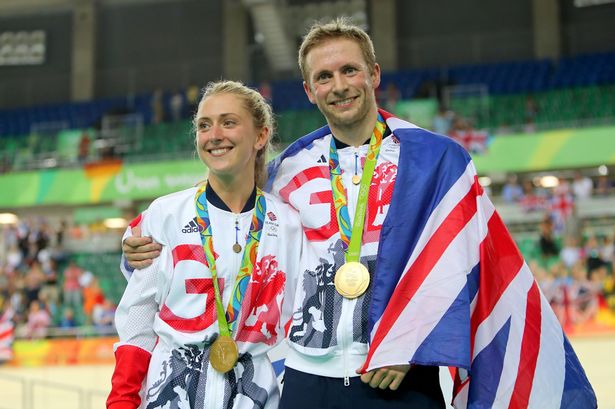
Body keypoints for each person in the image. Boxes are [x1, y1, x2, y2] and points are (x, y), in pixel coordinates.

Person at [123, 19, 596, 409]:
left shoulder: (434, 160)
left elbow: (462, 263)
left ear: (374, 74)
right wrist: (140, 251)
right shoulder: (291, 168)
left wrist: (412, 344)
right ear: (309, 91)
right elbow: (229, 226)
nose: (339, 85)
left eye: (349, 70)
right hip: (307, 380)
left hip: (400, 375)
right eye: (323, 78)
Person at [107, 80, 308, 409]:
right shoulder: (165, 215)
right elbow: (138, 320)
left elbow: (293, 328)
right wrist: (122, 400)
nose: (214, 134)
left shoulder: (287, 224)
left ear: (260, 136)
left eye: (229, 122)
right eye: (204, 125)